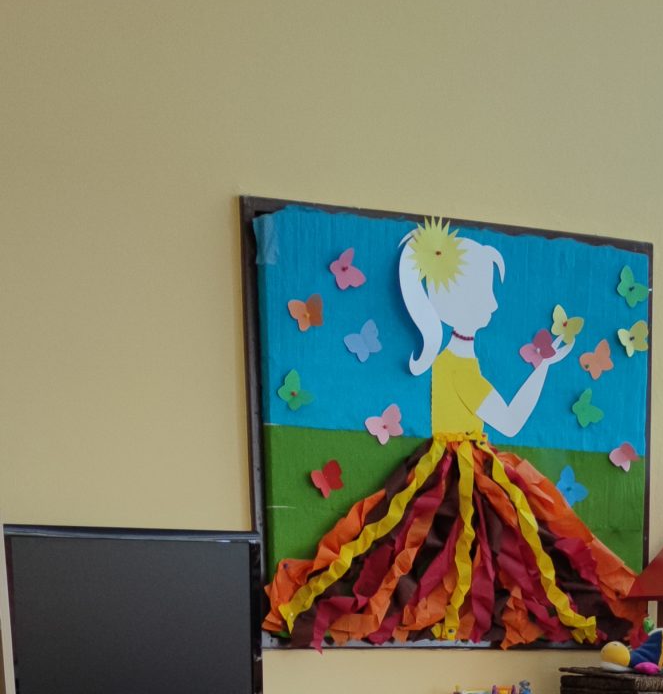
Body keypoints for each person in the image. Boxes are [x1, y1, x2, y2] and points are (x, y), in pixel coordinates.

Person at [264, 218, 638, 652]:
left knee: (468, 548)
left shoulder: (453, 361)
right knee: (477, 545)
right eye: (485, 294)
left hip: (458, 464)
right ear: (452, 303)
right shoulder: (460, 370)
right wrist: (543, 369)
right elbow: (510, 422)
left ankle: (456, 619)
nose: (494, 305)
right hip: (460, 472)